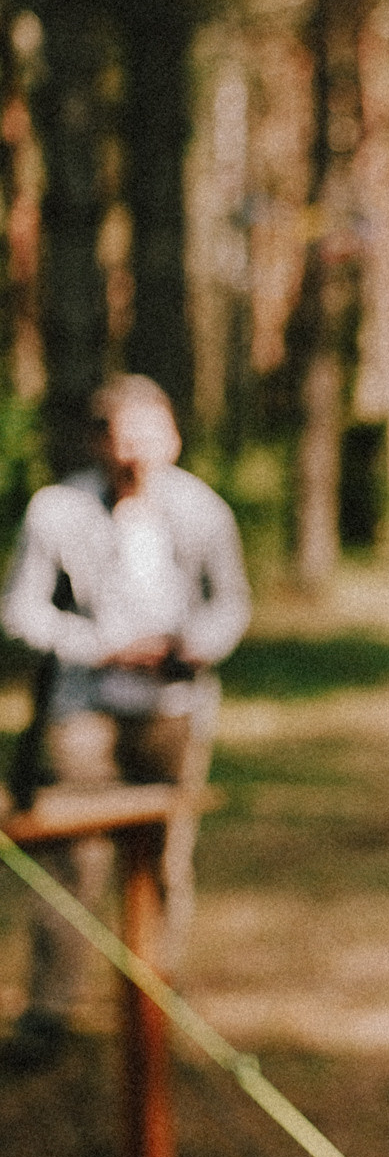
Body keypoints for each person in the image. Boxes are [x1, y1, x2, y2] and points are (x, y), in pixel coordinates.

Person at [0, 375, 248, 1074]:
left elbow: (230, 603)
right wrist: (99, 646)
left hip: (173, 711)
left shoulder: (203, 511)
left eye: (151, 435)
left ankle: (154, 998)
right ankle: (49, 1010)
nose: (137, 452)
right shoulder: (57, 511)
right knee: (71, 859)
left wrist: (194, 645)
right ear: (97, 441)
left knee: (166, 861)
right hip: (83, 712)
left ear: (172, 436)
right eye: (121, 437)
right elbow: (20, 610)